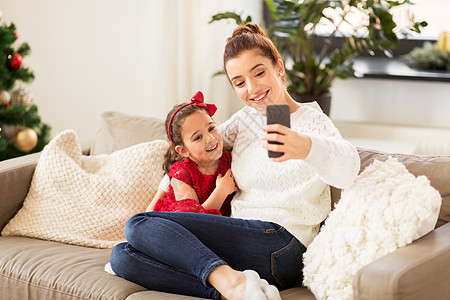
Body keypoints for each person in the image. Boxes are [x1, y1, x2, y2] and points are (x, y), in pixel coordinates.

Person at [110, 22, 360, 300]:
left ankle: (230, 282)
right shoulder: (246, 120)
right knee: (123, 256)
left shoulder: (311, 121)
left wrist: (305, 147)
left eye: (259, 73)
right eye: (240, 83)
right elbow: (196, 149)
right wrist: (171, 185)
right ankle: (235, 287)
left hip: (282, 243)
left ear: (279, 67)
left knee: (137, 225)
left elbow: (348, 169)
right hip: (238, 239)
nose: (252, 89)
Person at [148, 91, 236, 216]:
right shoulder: (182, 173)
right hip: (175, 225)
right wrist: (222, 191)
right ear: (183, 150)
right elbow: (193, 220)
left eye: (211, 128)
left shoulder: (231, 160)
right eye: (198, 137)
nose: (210, 139)